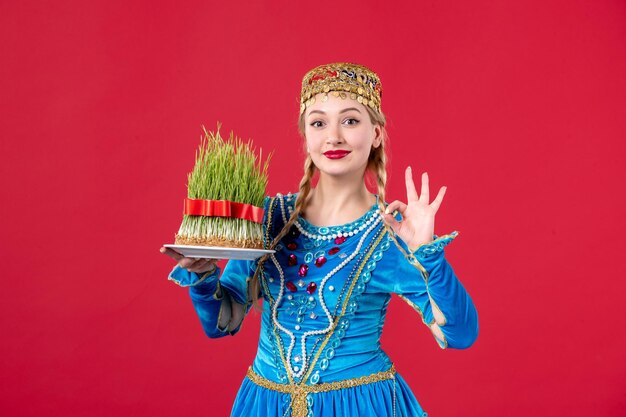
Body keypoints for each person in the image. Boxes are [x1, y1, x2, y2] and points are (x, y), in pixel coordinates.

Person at [160, 62, 479, 417]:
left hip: (358, 407)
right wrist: (203, 277)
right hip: (266, 405)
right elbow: (225, 321)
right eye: (318, 122)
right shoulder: (269, 218)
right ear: (306, 134)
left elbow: (461, 334)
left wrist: (427, 254)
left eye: (350, 120)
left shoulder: (391, 231)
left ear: (375, 133)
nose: (334, 137)